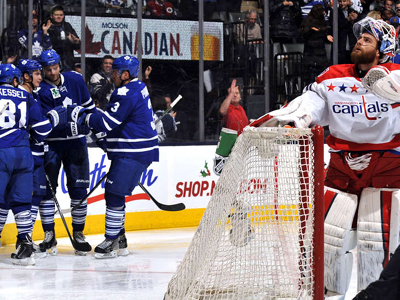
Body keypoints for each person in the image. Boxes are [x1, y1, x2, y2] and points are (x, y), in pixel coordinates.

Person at [251, 17, 400, 299]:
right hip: (341, 165)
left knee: (375, 241)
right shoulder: (333, 76)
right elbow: (311, 103)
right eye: (359, 38)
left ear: (384, 49)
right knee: (327, 240)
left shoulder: (398, 74)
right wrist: (290, 118)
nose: (359, 41)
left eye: (368, 40)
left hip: (388, 165)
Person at [78, 55, 159, 258]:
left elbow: (107, 123)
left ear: (124, 74)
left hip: (133, 150)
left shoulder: (125, 93)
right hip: (135, 149)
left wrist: (85, 117)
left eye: (115, 71)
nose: (111, 74)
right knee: (116, 193)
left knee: (114, 193)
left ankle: (111, 239)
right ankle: (119, 238)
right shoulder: (138, 86)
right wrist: (106, 140)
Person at [0, 63, 64, 265]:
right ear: (16, 80)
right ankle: (26, 248)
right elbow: (43, 130)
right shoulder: (26, 96)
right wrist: (54, 117)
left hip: (1, 151)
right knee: (21, 203)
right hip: (23, 154)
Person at [36, 49, 95, 256]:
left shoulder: (75, 80)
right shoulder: (39, 89)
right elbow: (45, 124)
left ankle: (78, 233)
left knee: (78, 191)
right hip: (51, 146)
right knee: (46, 192)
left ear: (60, 64)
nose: (52, 72)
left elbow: (90, 109)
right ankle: (49, 235)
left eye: (55, 67)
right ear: (42, 70)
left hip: (76, 145)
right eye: (48, 69)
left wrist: (90, 126)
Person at [300, 4, 333, 84]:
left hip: (319, 52)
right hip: (311, 52)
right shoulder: (308, 21)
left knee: (320, 75)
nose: (324, 12)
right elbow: (304, 33)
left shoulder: (321, 20)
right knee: (311, 76)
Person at [47, 5, 81, 71]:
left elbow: (77, 45)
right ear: (51, 16)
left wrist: (76, 42)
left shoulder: (67, 26)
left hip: (68, 62)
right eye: (56, 15)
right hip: (54, 62)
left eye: (61, 15)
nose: (59, 17)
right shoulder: (48, 27)